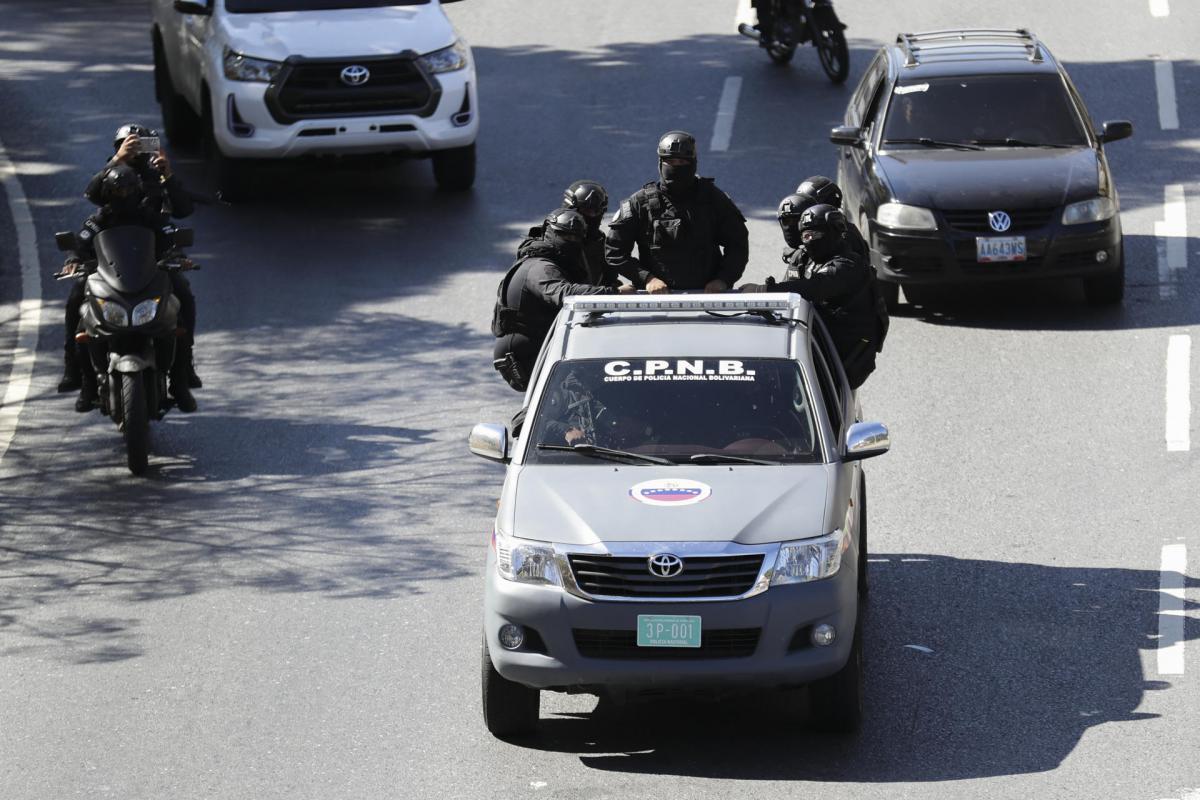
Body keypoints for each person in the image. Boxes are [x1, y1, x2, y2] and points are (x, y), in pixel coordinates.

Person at [59, 124, 200, 397]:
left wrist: (167, 174)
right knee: (78, 296)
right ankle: (76, 368)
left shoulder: (155, 188)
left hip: (153, 264)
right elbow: (88, 211)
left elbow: (180, 214)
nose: (124, 194)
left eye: (140, 144)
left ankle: (182, 371)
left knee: (182, 293)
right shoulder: (108, 184)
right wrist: (75, 260)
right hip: (111, 267)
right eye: (129, 144)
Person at [741, 204, 887, 389]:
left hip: (843, 361)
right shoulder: (812, 261)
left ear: (833, 232)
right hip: (818, 344)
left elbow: (815, 287)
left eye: (815, 235)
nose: (809, 241)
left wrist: (763, 291)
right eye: (805, 236)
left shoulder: (848, 265)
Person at [492, 208, 633, 392]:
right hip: (524, 354)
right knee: (565, 401)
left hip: (543, 345)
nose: (571, 241)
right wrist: (613, 293)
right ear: (549, 232)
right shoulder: (540, 267)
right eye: (564, 235)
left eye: (576, 237)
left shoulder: (554, 264)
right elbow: (565, 294)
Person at [605, 130, 749, 293]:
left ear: (693, 163)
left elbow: (738, 244)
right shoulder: (639, 202)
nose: (676, 166)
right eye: (671, 161)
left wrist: (723, 279)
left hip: (707, 296)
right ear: (660, 163)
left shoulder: (713, 199)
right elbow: (615, 252)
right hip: (655, 299)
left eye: (682, 162)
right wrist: (646, 278)